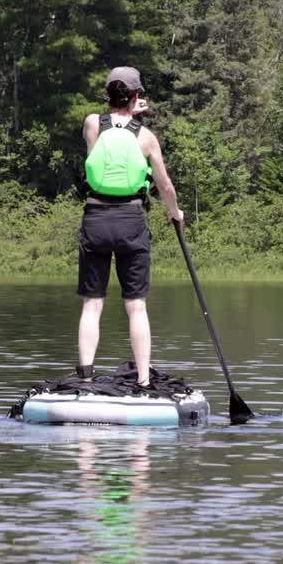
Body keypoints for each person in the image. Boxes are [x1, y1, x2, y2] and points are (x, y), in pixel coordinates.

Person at [77, 66, 184, 390]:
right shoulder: (146, 137)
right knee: (135, 306)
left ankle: (86, 376)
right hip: (131, 221)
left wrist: (127, 111)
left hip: (95, 219)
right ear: (136, 96)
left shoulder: (92, 124)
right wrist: (174, 212)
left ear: (107, 95)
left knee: (92, 303)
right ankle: (142, 379)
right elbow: (164, 186)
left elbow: (106, 137)